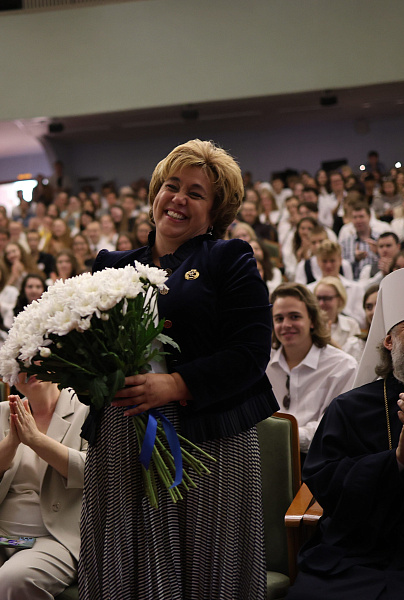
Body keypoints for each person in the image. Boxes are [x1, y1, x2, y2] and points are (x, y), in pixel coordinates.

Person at [79, 139, 278, 599]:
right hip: (120, 438)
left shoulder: (228, 258)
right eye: (172, 186)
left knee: (206, 570)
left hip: (206, 440)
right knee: (122, 568)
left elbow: (250, 352)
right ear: (154, 194)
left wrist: (176, 383)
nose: (178, 199)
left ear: (216, 211)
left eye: (196, 192)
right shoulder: (111, 265)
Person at [287, 268, 404, 599]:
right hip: (358, 551)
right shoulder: (349, 407)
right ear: (388, 340)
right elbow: (324, 481)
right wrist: (396, 460)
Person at [0, 376, 89, 599]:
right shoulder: (2, 412)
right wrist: (10, 443)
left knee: (15, 580)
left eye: (35, 357)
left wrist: (36, 440)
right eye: (19, 361)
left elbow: (92, 474)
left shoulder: (85, 409)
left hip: (55, 534)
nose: (27, 367)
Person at [266, 283, 357, 455]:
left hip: (317, 461)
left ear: (313, 321)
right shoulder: (263, 365)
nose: (286, 325)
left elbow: (331, 428)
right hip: (267, 454)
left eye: (294, 317)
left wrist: (279, 434)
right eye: (279, 318)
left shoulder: (342, 366)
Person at [314, 276, 364, 361]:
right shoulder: (309, 325)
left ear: (340, 299)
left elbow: (354, 362)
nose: (321, 303)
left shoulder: (351, 325)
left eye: (327, 298)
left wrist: (330, 341)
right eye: (318, 298)